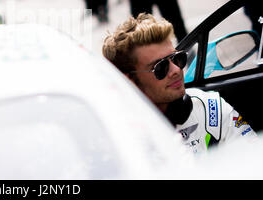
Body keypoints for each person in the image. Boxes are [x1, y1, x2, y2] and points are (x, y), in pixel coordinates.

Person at [102, 13, 257, 154]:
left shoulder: (211, 109)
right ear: (129, 80)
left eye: (177, 59)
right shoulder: (116, 139)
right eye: (160, 67)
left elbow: (254, 161)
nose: (176, 70)